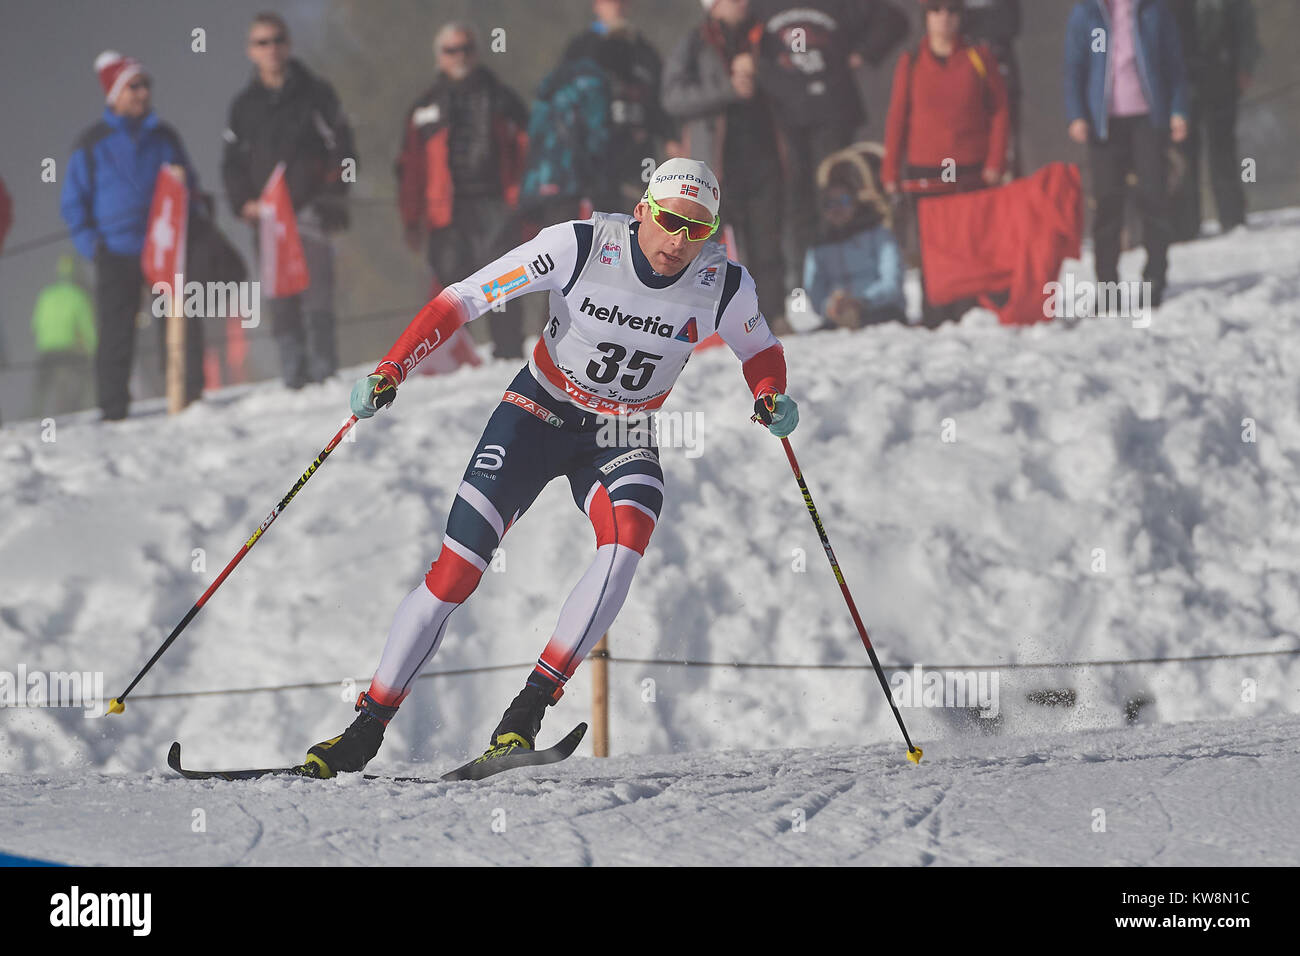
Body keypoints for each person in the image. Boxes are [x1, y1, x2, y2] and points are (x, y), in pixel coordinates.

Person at [300, 158, 799, 777]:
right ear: (644, 209)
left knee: (626, 543)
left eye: (697, 230)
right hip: (537, 410)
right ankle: (366, 727)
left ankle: (525, 716)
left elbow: (760, 349)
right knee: (457, 571)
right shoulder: (581, 244)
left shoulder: (724, 283)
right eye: (670, 220)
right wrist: (393, 368)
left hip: (623, 428)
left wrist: (768, 393)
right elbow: (464, 299)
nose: (678, 241)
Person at [60, 50, 201, 421]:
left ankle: (186, 394)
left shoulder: (164, 136)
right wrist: (93, 246)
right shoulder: (91, 143)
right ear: (115, 94)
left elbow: (190, 183)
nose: (142, 93)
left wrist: (194, 219)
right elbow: (74, 204)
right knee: (116, 330)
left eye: (145, 84)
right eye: (133, 86)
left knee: (178, 320)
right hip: (116, 251)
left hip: (165, 248)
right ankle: (113, 408)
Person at [221, 12, 356, 389]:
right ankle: (293, 377)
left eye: (278, 40)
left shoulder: (317, 93)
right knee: (281, 293)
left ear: (289, 43)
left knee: (318, 292)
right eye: (262, 42)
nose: (272, 49)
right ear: (251, 51)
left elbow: (344, 149)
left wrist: (334, 195)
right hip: (267, 218)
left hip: (311, 209)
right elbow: (231, 163)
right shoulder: (243, 106)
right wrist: (242, 203)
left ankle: (324, 372)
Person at [749, 0, 909, 292]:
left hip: (833, 112)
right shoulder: (761, 7)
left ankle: (849, 280)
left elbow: (894, 19)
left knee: (836, 195)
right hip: (783, 118)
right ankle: (806, 282)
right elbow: (731, 34)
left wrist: (863, 52)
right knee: (798, 200)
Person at [397, 22, 530, 361]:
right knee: (450, 281)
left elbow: (528, 149)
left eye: (466, 48)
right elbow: (410, 168)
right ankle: (455, 356)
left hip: (496, 203)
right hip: (446, 210)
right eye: (451, 50)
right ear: (439, 57)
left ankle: (509, 353)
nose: (460, 57)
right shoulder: (423, 107)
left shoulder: (502, 97)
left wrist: (525, 203)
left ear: (477, 52)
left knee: (504, 280)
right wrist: (411, 220)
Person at [882, 0, 1009, 327]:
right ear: (926, 17)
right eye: (936, 10)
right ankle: (933, 314)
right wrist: (890, 169)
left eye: (952, 11)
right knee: (930, 250)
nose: (944, 18)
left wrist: (996, 161)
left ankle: (967, 311)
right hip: (924, 171)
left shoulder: (979, 58)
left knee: (967, 245)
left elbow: (999, 112)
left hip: (970, 170)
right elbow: (897, 117)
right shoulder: (910, 61)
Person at [663, 0, 786, 326]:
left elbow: (791, 86)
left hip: (765, 156)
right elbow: (672, 96)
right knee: (706, 245)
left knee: (766, 239)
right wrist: (728, 88)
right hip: (714, 163)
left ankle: (771, 314)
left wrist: (762, 73)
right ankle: (700, 319)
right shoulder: (694, 41)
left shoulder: (767, 37)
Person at [1065, 0, 1189, 308]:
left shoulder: (1154, 11)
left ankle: (1155, 279)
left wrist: (1178, 110)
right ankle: (1107, 287)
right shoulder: (1087, 12)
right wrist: (1077, 114)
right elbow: (1073, 67)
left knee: (1153, 198)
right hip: (1104, 125)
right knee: (1107, 204)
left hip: (1148, 119)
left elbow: (1174, 65)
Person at [562, 0, 679, 214]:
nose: (616, 6)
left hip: (638, 149)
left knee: (638, 214)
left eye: (621, 2)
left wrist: (671, 136)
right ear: (596, 5)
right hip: (595, 151)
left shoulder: (643, 49)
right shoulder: (581, 48)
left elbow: (658, 97)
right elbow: (565, 98)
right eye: (610, 2)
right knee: (599, 219)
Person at [1169, 0, 1259, 239]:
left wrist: (1245, 67)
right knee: (1185, 151)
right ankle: (1185, 223)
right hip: (1183, 80)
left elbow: (1246, 29)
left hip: (1222, 75)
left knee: (1223, 148)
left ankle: (1232, 217)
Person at [805, 154, 905, 329]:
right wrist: (830, 305)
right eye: (830, 203)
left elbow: (892, 282)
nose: (837, 209)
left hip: (880, 309)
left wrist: (861, 300)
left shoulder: (878, 235)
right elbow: (815, 290)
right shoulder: (820, 245)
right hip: (838, 312)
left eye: (843, 201)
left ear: (855, 202)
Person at [962, 0, 1023, 176]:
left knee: (1007, 148)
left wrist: (969, 23)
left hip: (1000, 72)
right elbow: (941, 25)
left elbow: (1009, 24)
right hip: (963, 78)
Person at [31, 255, 97, 416]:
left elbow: (35, 323)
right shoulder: (79, 296)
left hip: (47, 351)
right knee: (82, 384)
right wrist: (93, 352)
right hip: (70, 350)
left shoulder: (46, 295)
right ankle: (79, 411)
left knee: (42, 391)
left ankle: (35, 416)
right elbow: (87, 328)